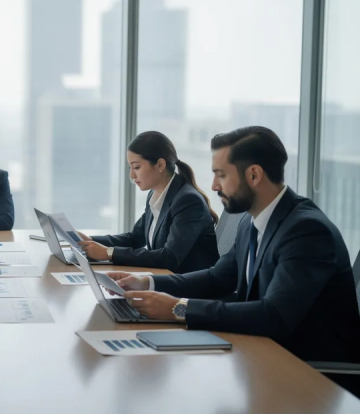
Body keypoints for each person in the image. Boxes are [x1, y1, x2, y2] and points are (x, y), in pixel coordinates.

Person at [106, 126, 360, 366]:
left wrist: (178, 308)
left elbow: (275, 316)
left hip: (308, 373)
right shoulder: (251, 223)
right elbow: (217, 278)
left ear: (253, 175)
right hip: (259, 354)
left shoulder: (306, 231)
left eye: (221, 175)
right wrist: (146, 283)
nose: (214, 186)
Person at [78, 131, 219, 274]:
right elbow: (135, 238)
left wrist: (109, 253)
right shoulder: (156, 194)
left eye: (137, 167)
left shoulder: (188, 201)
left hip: (188, 289)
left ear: (159, 165)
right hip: (166, 281)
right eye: (130, 168)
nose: (132, 175)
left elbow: (169, 258)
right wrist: (89, 241)